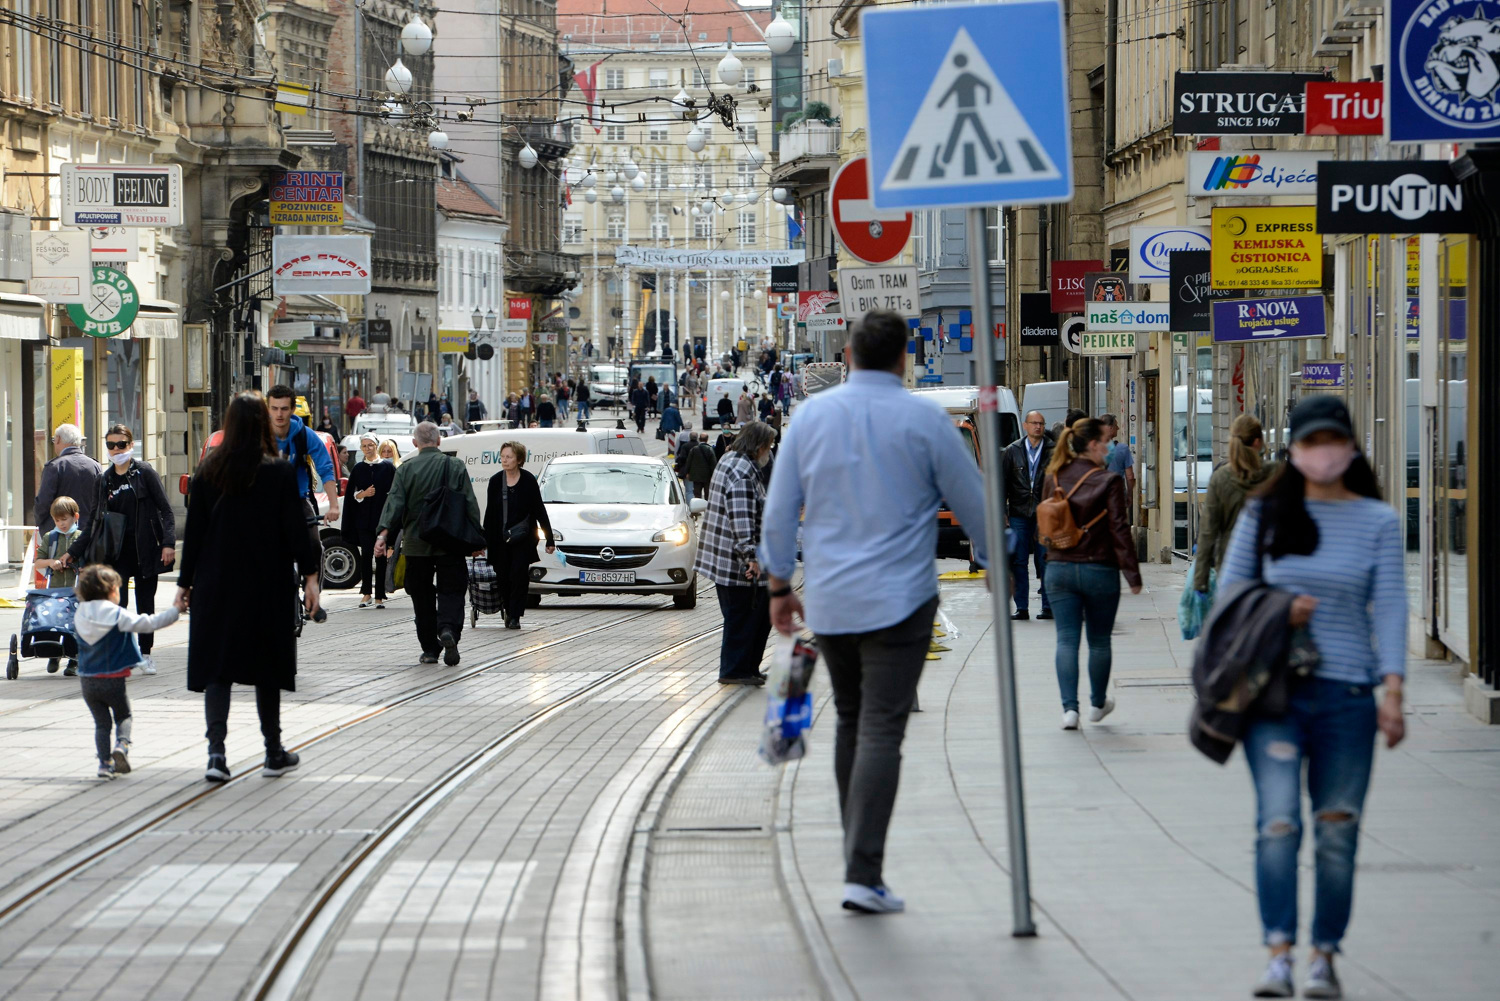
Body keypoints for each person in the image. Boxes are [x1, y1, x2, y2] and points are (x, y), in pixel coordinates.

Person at [760, 310, 990, 915]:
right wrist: (998, 558)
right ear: (903, 360)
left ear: (850, 356)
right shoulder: (923, 419)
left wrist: (780, 587)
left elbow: (779, 511)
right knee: (883, 728)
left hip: (833, 603)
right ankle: (863, 872)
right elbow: (974, 502)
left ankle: (856, 858)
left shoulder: (810, 417)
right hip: (902, 601)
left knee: (852, 722)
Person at [1217, 396, 1406, 1001]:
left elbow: (1394, 607)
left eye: (1333, 441)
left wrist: (1393, 688)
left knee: (1335, 831)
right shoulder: (1262, 514)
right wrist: (1280, 608)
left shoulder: (1377, 520)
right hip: (1273, 695)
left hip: (1348, 695)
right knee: (1278, 824)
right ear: (1292, 450)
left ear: (1350, 448)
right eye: (1311, 442)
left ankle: (1323, 955)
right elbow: (1229, 598)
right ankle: (1279, 953)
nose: (1323, 453)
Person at [176, 391, 318, 782]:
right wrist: (311, 579)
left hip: (216, 584)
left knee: (218, 671)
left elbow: (196, 535)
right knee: (266, 667)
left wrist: (184, 585)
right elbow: (296, 532)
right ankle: (273, 751)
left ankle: (216, 756)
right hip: (265, 583)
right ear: (261, 423)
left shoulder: (208, 472)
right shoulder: (278, 472)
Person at [1041, 416, 1141, 730]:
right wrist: (1132, 575)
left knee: (1066, 640)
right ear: (1094, 445)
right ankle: (1098, 704)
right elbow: (1119, 530)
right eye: (1107, 442)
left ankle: (1069, 710)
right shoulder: (1108, 481)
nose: (1111, 447)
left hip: (1058, 568)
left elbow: (1042, 524)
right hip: (1099, 569)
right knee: (1099, 642)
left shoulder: (1053, 476)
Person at [64, 425, 177, 676]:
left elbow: (166, 510)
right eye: (111, 445)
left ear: (131, 445)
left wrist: (168, 543)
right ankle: (123, 655)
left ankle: (145, 654)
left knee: (145, 605)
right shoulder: (103, 480)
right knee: (117, 604)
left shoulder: (144, 472)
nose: (116, 450)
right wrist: (73, 551)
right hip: (116, 553)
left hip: (146, 549)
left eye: (121, 444)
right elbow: (93, 521)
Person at [375, 422, 482, 666]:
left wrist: (382, 537)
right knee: (452, 591)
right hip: (450, 543)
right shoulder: (454, 466)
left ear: (415, 443)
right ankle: (448, 630)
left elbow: (394, 505)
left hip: (416, 543)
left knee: (421, 596)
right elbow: (469, 503)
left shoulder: (406, 469)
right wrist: (477, 537)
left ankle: (429, 650)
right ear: (439, 441)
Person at [74, 564, 179, 779]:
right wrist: (175, 611)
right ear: (112, 590)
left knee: (101, 724)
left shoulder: (79, 612)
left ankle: (104, 764)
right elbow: (148, 623)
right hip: (113, 679)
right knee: (123, 716)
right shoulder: (115, 613)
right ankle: (121, 746)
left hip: (87, 681)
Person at [694, 421, 778, 686]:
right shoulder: (742, 473)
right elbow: (741, 521)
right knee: (745, 616)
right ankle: (735, 670)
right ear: (759, 446)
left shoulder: (730, 459)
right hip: (737, 563)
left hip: (725, 558)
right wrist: (750, 558)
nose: (770, 451)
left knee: (755, 615)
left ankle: (747, 667)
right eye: (769, 445)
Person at [1193, 414, 1275, 597]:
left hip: (1231, 566)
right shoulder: (1275, 474)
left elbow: (1208, 532)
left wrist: (1200, 581)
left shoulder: (1221, 478)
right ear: (1257, 442)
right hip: (1271, 567)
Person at [483, 441, 555, 630]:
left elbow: (539, 509)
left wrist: (549, 537)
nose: (504, 460)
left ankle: (515, 615)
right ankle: (508, 608)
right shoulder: (495, 481)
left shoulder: (528, 480)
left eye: (509, 457)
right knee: (503, 576)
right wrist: (483, 540)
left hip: (523, 538)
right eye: (503, 456)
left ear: (519, 459)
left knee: (519, 575)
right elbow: (490, 513)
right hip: (500, 539)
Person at [1001, 410, 1054, 621]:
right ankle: (1021, 607)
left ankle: (1048, 606)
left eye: (1041, 423)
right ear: (1025, 426)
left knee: (1045, 559)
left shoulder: (1052, 450)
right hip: (1019, 512)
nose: (1038, 427)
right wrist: (1002, 512)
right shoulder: (1012, 451)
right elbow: (1002, 484)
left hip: (1045, 512)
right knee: (1018, 561)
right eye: (1033, 423)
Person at [266, 384, 341, 525]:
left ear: (293, 409)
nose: (279, 414)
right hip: (264, 500)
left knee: (313, 544)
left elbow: (325, 468)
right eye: (274, 408)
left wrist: (334, 506)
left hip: (297, 499)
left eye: (284, 409)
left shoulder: (304, 434)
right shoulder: (257, 435)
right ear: (268, 409)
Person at [344, 434, 396, 609]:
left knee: (380, 556)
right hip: (364, 521)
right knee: (366, 554)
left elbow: (395, 493)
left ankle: (380, 595)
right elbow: (352, 495)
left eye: (370, 445)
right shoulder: (358, 469)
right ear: (361, 449)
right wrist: (363, 494)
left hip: (381, 521)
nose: (367, 448)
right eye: (364, 446)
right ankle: (366, 592)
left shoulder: (388, 467)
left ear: (376, 446)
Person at [34, 497, 83, 675]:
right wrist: (50, 562)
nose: (61, 524)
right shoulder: (50, 537)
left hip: (75, 589)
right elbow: (38, 562)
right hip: (53, 589)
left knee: (73, 624)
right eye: (57, 520)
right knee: (53, 620)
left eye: (65, 519)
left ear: (75, 517)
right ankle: (54, 654)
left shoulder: (82, 537)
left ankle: (73, 659)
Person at [34, 423, 100, 534]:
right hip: (89, 533)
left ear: (58, 439)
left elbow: (43, 503)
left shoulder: (55, 467)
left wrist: (41, 524)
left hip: (59, 534)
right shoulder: (95, 466)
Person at [1098, 413, 1136, 499]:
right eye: (1116, 425)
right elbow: (1130, 477)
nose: (1118, 428)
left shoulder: (1091, 448)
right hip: (1116, 494)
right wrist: (1129, 494)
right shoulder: (1123, 448)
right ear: (1110, 428)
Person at [686, 431, 717, 502]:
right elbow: (713, 463)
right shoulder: (710, 449)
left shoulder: (694, 449)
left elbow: (689, 462)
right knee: (708, 494)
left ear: (699, 439)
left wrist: (687, 472)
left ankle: (697, 509)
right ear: (707, 439)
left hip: (696, 476)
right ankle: (707, 508)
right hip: (707, 476)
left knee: (697, 494)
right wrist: (714, 475)